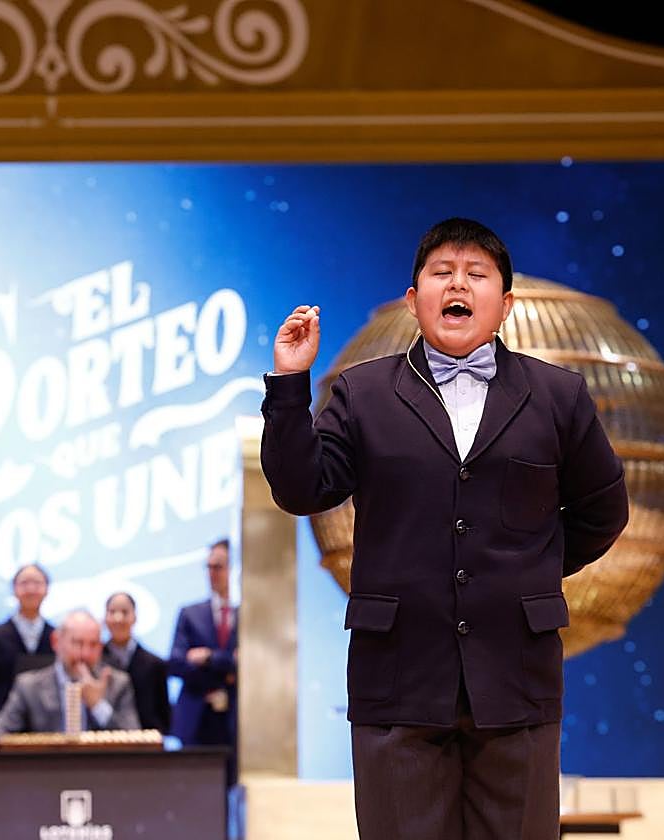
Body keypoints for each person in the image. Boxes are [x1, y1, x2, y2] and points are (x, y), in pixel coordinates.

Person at [260, 218, 629, 840]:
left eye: (476, 274)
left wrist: (530, 569)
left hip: (516, 680)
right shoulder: (362, 393)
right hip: (397, 681)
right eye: (442, 273)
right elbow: (303, 489)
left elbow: (603, 511)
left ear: (505, 304)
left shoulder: (558, 396)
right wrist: (292, 384)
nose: (458, 284)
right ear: (413, 300)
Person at [0, 609, 140, 752]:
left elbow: (137, 740)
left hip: (105, 779)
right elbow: (1, 727)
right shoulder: (29, 686)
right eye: (78, 643)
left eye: (93, 645)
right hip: (46, 778)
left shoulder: (117, 683)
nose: (85, 654)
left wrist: (97, 705)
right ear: (57, 641)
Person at [168, 539, 238, 781]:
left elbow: (250, 666)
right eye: (208, 567)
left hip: (235, 722)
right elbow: (176, 663)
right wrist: (226, 666)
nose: (212, 573)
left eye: (217, 566)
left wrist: (208, 658)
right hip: (195, 717)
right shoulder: (191, 614)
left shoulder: (247, 613)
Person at [0, 563, 56, 730]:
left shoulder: (57, 638)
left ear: (47, 589)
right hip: (0, 730)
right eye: (24, 583)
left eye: (37, 583)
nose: (31, 589)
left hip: (46, 731)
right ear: (14, 589)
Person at [103, 591, 171, 734]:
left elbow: (164, 714)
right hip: (102, 743)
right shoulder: (95, 661)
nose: (118, 618)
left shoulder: (155, 664)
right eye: (112, 611)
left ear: (135, 617)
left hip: (146, 745)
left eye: (124, 612)